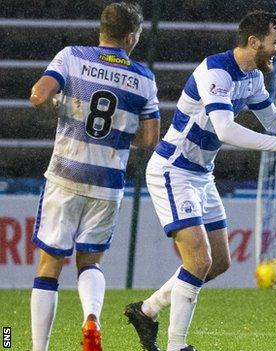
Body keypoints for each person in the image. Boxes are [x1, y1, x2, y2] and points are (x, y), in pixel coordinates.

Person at [123, 10, 276, 351]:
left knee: (219, 262)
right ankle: (176, 345)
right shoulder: (217, 72)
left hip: (200, 174)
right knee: (198, 261)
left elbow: (271, 119)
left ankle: (146, 311)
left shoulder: (253, 76)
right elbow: (225, 129)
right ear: (254, 42)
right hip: (173, 169)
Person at [28, 3, 159, 351]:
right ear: (131, 37)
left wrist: (56, 109)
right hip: (108, 183)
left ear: (102, 30)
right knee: (90, 261)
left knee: (49, 264)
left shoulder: (72, 57)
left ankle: (37, 348)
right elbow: (149, 139)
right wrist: (120, 128)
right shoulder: (144, 78)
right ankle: (92, 319)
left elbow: (39, 95)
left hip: (66, 175)